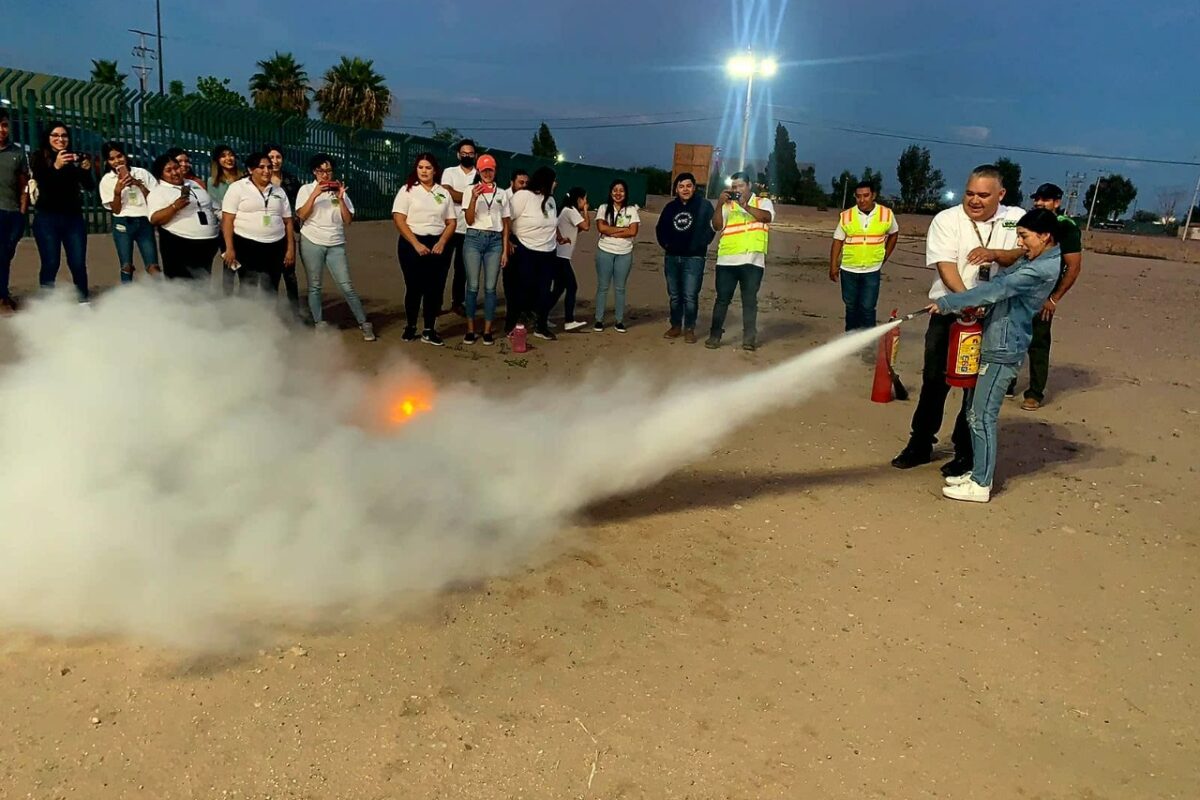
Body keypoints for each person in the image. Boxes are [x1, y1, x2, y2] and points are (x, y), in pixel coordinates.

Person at [891, 164, 1025, 477]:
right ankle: (920, 443)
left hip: (994, 318)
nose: (974, 200)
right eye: (969, 193)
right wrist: (967, 301)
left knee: (975, 387)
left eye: (983, 195)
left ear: (1001, 195)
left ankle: (965, 450)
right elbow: (945, 266)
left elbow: (1024, 253)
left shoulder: (1016, 219)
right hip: (950, 313)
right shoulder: (947, 220)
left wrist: (995, 254)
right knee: (934, 381)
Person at [926, 209, 1063, 503]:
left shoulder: (1039, 269)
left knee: (982, 415)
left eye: (1024, 236)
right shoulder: (1034, 259)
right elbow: (998, 287)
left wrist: (948, 302)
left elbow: (999, 288)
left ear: (1045, 236)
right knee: (974, 411)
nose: (1020, 243)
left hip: (1004, 347)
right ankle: (977, 471)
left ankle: (981, 483)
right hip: (995, 339)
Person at [1006, 183, 1083, 411]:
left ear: (1057, 202)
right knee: (1010, 338)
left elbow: (1073, 266)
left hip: (1043, 296)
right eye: (1037, 199)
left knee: (1038, 344)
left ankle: (1034, 393)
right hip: (1020, 289)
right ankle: (1007, 383)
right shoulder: (1029, 222)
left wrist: (1053, 298)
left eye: (1046, 199)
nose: (1040, 203)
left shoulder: (1065, 227)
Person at [295, 153, 375, 341]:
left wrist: (340, 198)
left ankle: (364, 322)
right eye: (321, 171)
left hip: (336, 243)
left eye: (329, 171)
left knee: (346, 285)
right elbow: (302, 215)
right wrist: (315, 194)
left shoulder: (339, 191)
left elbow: (348, 220)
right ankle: (319, 323)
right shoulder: (306, 189)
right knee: (315, 286)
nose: (325, 175)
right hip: (311, 240)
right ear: (314, 172)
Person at [392, 152, 456, 345]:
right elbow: (399, 219)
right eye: (420, 167)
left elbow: (451, 221)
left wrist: (442, 242)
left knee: (434, 288)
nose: (424, 171)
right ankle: (411, 326)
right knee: (414, 287)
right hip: (412, 243)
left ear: (435, 170)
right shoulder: (407, 190)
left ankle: (429, 329)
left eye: (428, 168)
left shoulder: (443, 193)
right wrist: (416, 244)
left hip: (437, 244)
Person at [706, 171, 775, 351]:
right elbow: (716, 226)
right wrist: (719, 204)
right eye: (734, 186)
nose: (737, 190)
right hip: (727, 261)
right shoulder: (727, 206)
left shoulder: (762, 202)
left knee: (749, 300)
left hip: (752, 261)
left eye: (740, 186)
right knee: (722, 300)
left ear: (749, 186)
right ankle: (714, 335)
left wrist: (745, 206)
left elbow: (767, 217)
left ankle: (749, 338)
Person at [30, 121, 93, 301]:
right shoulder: (39, 157)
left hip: (73, 218)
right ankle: (47, 302)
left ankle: (82, 300)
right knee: (51, 262)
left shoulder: (73, 158)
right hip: (47, 218)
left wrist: (85, 170)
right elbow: (45, 184)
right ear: (48, 138)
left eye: (64, 136)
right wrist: (56, 166)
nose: (60, 139)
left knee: (78, 262)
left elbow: (89, 186)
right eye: (55, 135)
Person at [221, 151, 295, 304]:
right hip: (247, 245)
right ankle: (248, 317)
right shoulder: (238, 188)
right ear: (250, 169)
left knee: (271, 287)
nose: (266, 171)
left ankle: (268, 316)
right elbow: (227, 220)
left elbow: (288, 222)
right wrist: (229, 248)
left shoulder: (279, 191)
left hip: (275, 246)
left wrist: (290, 249)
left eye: (269, 167)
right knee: (248, 286)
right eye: (261, 167)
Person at [829, 180, 899, 331]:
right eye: (858, 196)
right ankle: (851, 337)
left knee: (867, 307)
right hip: (849, 269)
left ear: (873, 195)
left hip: (872, 270)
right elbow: (837, 241)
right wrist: (833, 265)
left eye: (866, 195)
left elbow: (894, 234)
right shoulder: (847, 215)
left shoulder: (886, 214)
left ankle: (868, 341)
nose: (862, 200)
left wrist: (885, 255)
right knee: (851, 307)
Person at [655, 171, 714, 343]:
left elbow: (710, 229)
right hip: (672, 257)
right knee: (674, 295)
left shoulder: (704, 206)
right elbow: (660, 229)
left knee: (690, 295)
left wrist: (699, 246)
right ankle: (675, 326)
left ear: (694, 188)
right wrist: (667, 245)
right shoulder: (670, 208)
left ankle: (689, 328)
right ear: (676, 189)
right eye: (681, 186)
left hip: (694, 258)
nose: (685, 189)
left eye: (688, 186)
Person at [460, 153, 509, 345]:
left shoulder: (502, 193)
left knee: (490, 288)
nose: (487, 174)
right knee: (472, 286)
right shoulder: (470, 190)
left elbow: (506, 223)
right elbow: (469, 219)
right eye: (484, 170)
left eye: (491, 170)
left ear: (495, 171)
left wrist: (505, 250)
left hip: (495, 241)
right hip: (474, 238)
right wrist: (474, 198)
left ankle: (487, 330)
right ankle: (470, 329)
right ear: (479, 171)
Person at [505, 166, 559, 340]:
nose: (555, 184)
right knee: (521, 290)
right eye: (553, 180)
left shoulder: (551, 200)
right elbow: (507, 219)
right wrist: (507, 240)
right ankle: (512, 325)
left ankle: (541, 326)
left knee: (544, 291)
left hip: (548, 252)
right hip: (525, 250)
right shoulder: (523, 196)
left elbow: (552, 223)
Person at [147, 152, 220, 280]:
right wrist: (174, 207)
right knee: (181, 283)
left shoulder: (193, 184)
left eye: (176, 168)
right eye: (168, 170)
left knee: (202, 281)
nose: (175, 173)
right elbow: (155, 219)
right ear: (161, 174)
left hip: (207, 244)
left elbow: (209, 205)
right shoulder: (158, 192)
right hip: (180, 244)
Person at [98, 142, 160, 283]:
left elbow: (155, 199)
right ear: (107, 162)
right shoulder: (107, 180)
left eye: (119, 156)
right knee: (126, 265)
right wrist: (117, 192)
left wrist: (139, 184)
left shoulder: (142, 173)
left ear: (125, 155)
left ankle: (159, 291)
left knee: (153, 265)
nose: (117, 161)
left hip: (144, 221)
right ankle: (127, 293)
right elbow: (115, 210)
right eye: (112, 159)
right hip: (123, 222)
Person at [592, 179, 640, 333]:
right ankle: (599, 319)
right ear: (610, 192)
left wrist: (611, 230)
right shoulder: (603, 208)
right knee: (603, 287)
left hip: (624, 253)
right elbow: (601, 228)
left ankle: (619, 321)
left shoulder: (631, 210)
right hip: (605, 251)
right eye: (615, 190)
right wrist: (623, 230)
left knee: (620, 288)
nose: (618, 193)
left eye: (621, 190)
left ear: (626, 193)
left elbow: (633, 231)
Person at [440, 138, 477, 316]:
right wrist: (471, 197)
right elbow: (446, 192)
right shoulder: (450, 172)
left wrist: (460, 196)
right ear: (458, 155)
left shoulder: (479, 174)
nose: (467, 156)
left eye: (470, 153)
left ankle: (458, 302)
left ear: (475, 155)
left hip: (468, 228)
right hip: (448, 227)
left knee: (462, 270)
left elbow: (482, 198)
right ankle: (436, 302)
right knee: (441, 267)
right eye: (464, 153)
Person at [266, 144, 304, 320]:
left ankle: (295, 313)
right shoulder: (259, 179)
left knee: (289, 274)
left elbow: (299, 203)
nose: (275, 161)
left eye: (278, 157)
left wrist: (295, 220)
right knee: (270, 276)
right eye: (271, 157)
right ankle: (270, 314)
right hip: (266, 233)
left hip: (286, 231)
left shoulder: (291, 180)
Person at [0, 107, 29, 312]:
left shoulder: (17, 153)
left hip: (11, 212)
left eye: (4, 125)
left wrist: (22, 212)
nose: (1, 130)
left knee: (6, 255)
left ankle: (3, 294)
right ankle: (2, 296)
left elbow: (24, 185)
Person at [207, 144, 244, 295]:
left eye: (230, 154)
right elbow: (216, 208)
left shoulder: (244, 178)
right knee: (230, 266)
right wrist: (230, 219)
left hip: (245, 228)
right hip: (226, 229)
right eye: (223, 156)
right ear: (217, 160)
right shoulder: (213, 182)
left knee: (246, 269)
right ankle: (227, 299)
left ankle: (247, 300)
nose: (228, 158)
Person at [552, 186, 590, 332]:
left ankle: (541, 315)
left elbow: (577, 229)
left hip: (560, 255)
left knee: (559, 288)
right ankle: (569, 320)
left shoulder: (567, 210)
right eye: (584, 199)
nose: (586, 202)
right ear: (579, 199)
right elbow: (586, 226)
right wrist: (585, 211)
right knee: (572, 286)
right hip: (561, 256)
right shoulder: (571, 211)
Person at [501, 168, 529, 332]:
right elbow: (499, 220)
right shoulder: (504, 196)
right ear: (512, 182)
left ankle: (521, 314)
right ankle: (510, 321)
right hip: (507, 242)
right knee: (510, 283)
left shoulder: (529, 197)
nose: (524, 186)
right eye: (521, 182)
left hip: (523, 242)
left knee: (523, 282)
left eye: (526, 183)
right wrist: (507, 241)